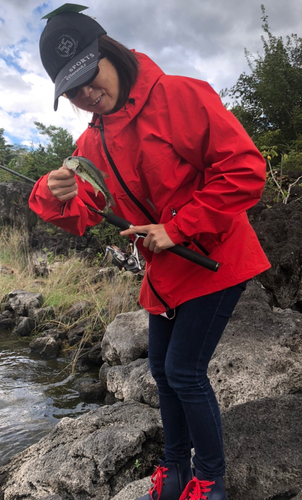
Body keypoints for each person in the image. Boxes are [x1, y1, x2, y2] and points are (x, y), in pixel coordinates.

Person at [29, 4, 271, 500]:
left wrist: (179, 228)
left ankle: (210, 481)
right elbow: (86, 216)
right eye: (72, 89)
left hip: (216, 260)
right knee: (161, 371)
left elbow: (245, 169)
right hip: (165, 272)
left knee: (184, 371)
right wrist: (53, 194)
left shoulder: (178, 95)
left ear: (110, 51)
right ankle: (174, 469)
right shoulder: (90, 144)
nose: (86, 92)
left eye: (89, 74)